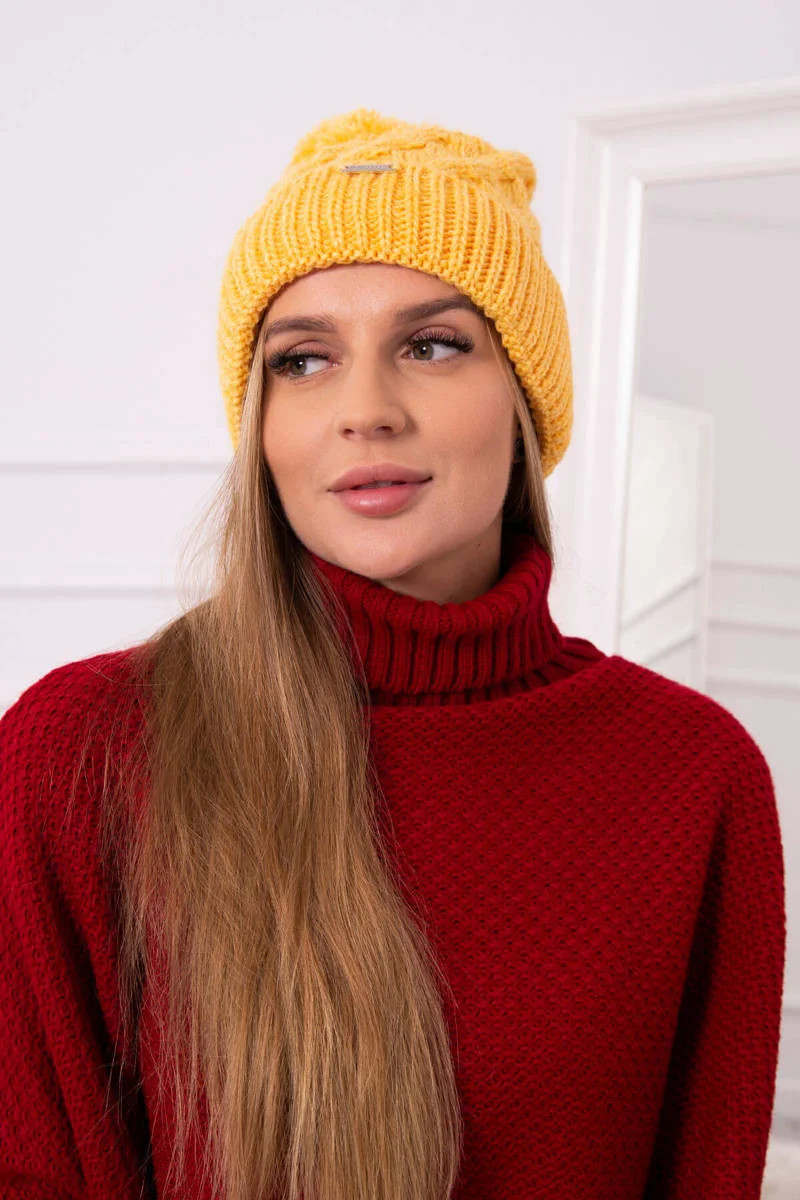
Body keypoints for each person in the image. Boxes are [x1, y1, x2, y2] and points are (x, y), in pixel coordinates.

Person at [0, 107, 786, 1200]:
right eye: (303, 360)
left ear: (523, 398)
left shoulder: (691, 775)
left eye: (431, 345)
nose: (363, 410)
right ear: (259, 424)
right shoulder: (76, 753)